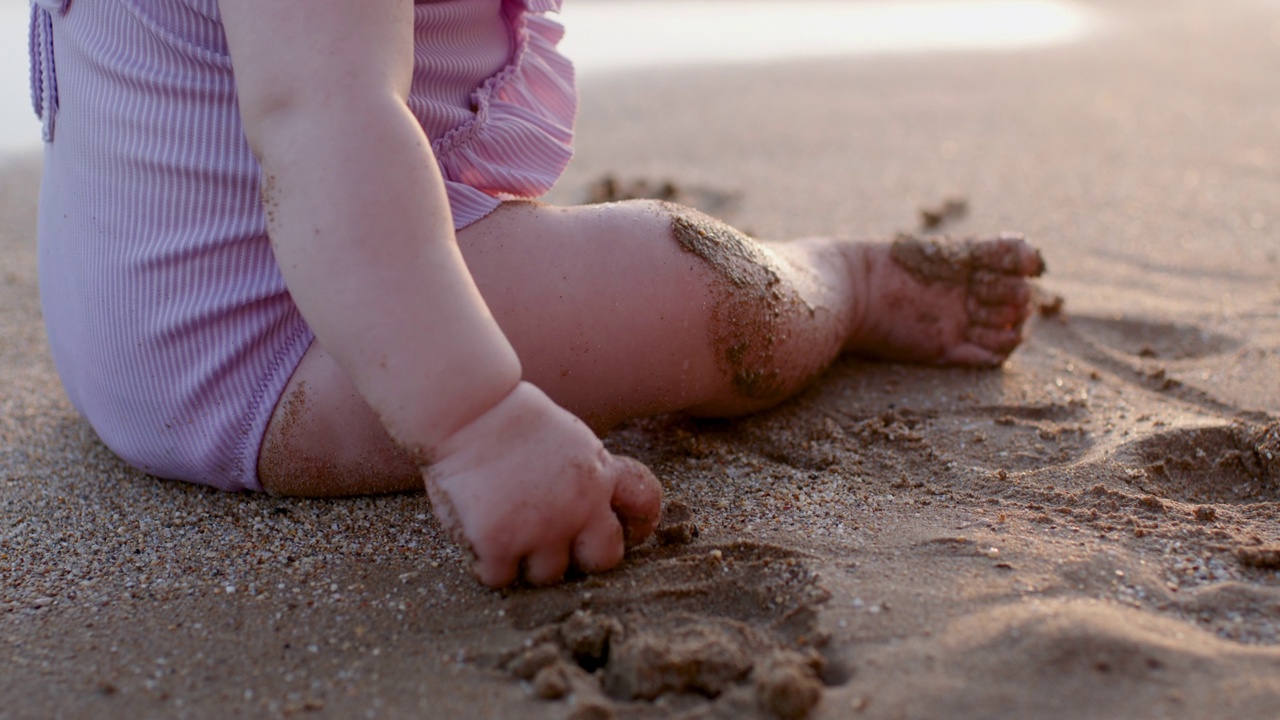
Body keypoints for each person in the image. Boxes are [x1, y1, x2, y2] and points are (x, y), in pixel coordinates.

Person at [29, 0, 1043, 588]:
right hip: (266, 341)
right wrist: (475, 425)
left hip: (126, 314)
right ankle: (848, 282)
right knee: (709, 291)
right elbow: (324, 121)